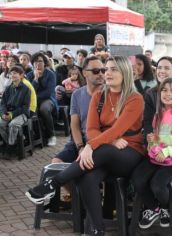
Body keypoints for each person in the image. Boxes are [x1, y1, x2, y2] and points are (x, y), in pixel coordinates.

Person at [26, 56, 145, 236]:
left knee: (103, 150)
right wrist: (106, 141)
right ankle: (97, 230)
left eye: (114, 69)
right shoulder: (99, 95)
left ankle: (53, 183)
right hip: (105, 150)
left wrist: (90, 146)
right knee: (86, 178)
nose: (108, 73)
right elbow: (91, 129)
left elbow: (118, 129)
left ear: (125, 73)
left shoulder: (135, 98)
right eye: (106, 69)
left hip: (129, 152)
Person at [132, 78, 172, 229]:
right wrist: (152, 140)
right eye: (164, 90)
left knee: (158, 185)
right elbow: (157, 140)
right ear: (159, 93)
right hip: (156, 159)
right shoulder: (158, 115)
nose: (168, 94)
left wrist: (167, 151)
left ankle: (167, 208)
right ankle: (155, 209)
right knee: (137, 180)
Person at [51, 56, 104, 164]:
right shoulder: (77, 94)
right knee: (56, 163)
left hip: (100, 142)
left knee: (84, 167)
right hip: (79, 141)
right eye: (95, 71)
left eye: (103, 70)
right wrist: (80, 147)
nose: (100, 74)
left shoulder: (109, 93)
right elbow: (74, 125)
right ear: (84, 73)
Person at [27, 52, 57, 146]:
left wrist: (35, 97)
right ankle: (38, 136)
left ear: (44, 63)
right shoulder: (30, 75)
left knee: (44, 109)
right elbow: (28, 92)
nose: (38, 64)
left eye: (40, 61)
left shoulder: (50, 74)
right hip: (33, 101)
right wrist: (35, 79)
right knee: (31, 111)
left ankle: (52, 136)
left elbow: (48, 92)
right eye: (35, 62)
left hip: (48, 99)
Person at [0, 65, 30, 146]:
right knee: (0, 124)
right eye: (11, 73)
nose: (12, 75)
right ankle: (14, 143)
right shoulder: (8, 88)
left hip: (22, 114)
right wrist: (3, 114)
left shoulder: (26, 89)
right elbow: (2, 103)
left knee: (12, 124)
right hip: (8, 113)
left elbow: (25, 107)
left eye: (15, 73)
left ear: (21, 75)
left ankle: (10, 147)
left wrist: (12, 114)